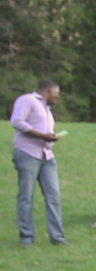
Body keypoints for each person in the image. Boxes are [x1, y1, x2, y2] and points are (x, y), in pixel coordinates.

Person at [9, 78, 65, 246]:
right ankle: (26, 236)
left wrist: (51, 138)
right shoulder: (27, 100)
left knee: (53, 196)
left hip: (47, 156)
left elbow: (44, 132)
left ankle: (57, 237)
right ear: (49, 90)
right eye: (57, 93)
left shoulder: (47, 110)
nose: (58, 97)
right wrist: (42, 135)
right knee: (26, 196)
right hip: (27, 153)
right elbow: (17, 121)